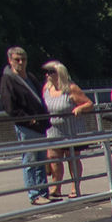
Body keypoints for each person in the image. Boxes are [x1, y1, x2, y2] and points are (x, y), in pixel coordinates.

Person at [0, 47, 51, 205]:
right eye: (17, 59)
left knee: (41, 159)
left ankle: (43, 191)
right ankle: (34, 194)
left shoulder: (30, 77)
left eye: (23, 59)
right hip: (27, 126)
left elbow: (40, 98)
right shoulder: (8, 79)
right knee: (30, 160)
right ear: (10, 60)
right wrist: (29, 120)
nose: (21, 62)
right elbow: (10, 107)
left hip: (39, 125)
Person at [40, 61, 91, 199]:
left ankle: (75, 187)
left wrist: (80, 108)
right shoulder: (46, 89)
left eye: (51, 72)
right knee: (54, 159)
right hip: (53, 130)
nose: (48, 75)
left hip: (71, 130)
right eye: (47, 72)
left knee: (72, 159)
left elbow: (89, 103)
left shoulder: (71, 88)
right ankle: (56, 187)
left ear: (59, 73)